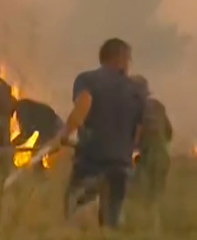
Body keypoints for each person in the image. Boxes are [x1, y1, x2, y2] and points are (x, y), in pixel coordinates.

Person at [53, 38, 145, 228]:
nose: (129, 64)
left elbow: (83, 106)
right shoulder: (136, 90)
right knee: (113, 220)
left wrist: (62, 135)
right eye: (128, 59)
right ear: (119, 58)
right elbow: (138, 131)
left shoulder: (88, 80)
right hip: (121, 165)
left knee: (74, 209)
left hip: (91, 161)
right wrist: (125, 152)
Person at [130, 75, 173, 201]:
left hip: (142, 159)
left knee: (137, 196)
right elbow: (169, 133)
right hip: (162, 156)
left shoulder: (132, 109)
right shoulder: (158, 106)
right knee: (157, 196)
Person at [14, 98, 64, 171]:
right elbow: (28, 131)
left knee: (39, 151)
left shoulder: (21, 109)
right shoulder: (25, 106)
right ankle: (40, 174)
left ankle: (40, 174)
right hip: (53, 125)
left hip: (53, 126)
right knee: (38, 151)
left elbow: (27, 132)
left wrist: (14, 142)